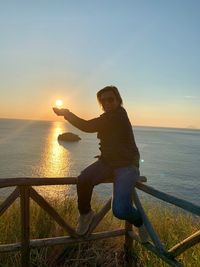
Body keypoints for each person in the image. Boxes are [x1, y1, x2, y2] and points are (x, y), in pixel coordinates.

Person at [53, 85, 149, 242]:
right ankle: (86, 214)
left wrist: (66, 113)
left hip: (127, 165)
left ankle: (140, 222)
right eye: (103, 101)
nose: (107, 103)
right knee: (83, 179)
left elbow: (87, 126)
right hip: (108, 162)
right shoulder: (109, 118)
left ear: (118, 100)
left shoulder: (118, 116)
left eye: (110, 99)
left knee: (119, 210)